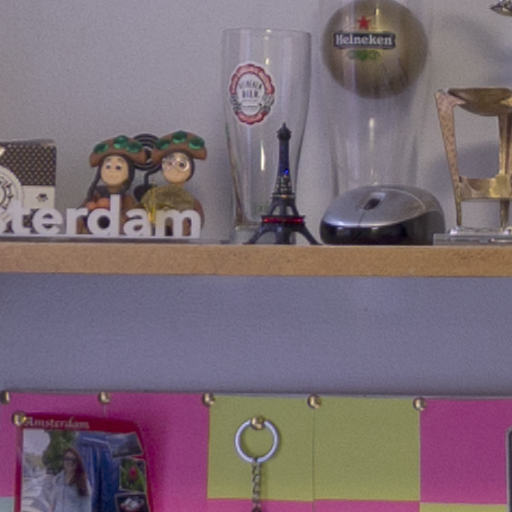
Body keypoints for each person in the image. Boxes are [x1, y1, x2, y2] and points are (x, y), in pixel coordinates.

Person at [50, 447, 91, 512]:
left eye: (73, 460)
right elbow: (53, 503)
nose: (70, 462)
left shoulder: (83, 482)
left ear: (77, 463)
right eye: (67, 459)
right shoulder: (57, 479)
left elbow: (86, 507)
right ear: (63, 460)